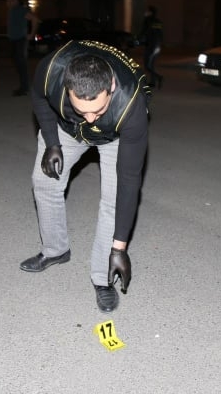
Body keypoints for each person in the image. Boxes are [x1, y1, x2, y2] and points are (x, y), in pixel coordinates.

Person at [19, 39, 151, 313]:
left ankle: (103, 278)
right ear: (67, 89)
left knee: (113, 200)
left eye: (98, 110)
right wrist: (52, 142)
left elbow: (129, 183)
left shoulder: (131, 106)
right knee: (44, 182)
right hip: (67, 129)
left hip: (114, 136)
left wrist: (119, 249)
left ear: (111, 87)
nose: (90, 118)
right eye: (83, 110)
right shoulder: (51, 70)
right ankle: (55, 250)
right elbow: (39, 98)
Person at [6, 0, 40, 95]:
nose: (9, 3)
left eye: (11, 0)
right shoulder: (12, 11)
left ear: (16, 1)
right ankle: (24, 87)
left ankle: (24, 88)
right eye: (7, 1)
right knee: (17, 63)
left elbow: (35, 19)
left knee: (21, 64)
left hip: (20, 40)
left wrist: (31, 34)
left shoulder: (20, 9)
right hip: (14, 40)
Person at [138, 6, 164, 88]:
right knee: (151, 64)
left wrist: (138, 39)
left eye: (147, 11)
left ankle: (159, 77)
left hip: (150, 45)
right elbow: (161, 34)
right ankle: (153, 82)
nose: (145, 12)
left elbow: (144, 32)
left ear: (150, 12)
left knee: (147, 65)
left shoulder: (147, 21)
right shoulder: (158, 21)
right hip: (157, 46)